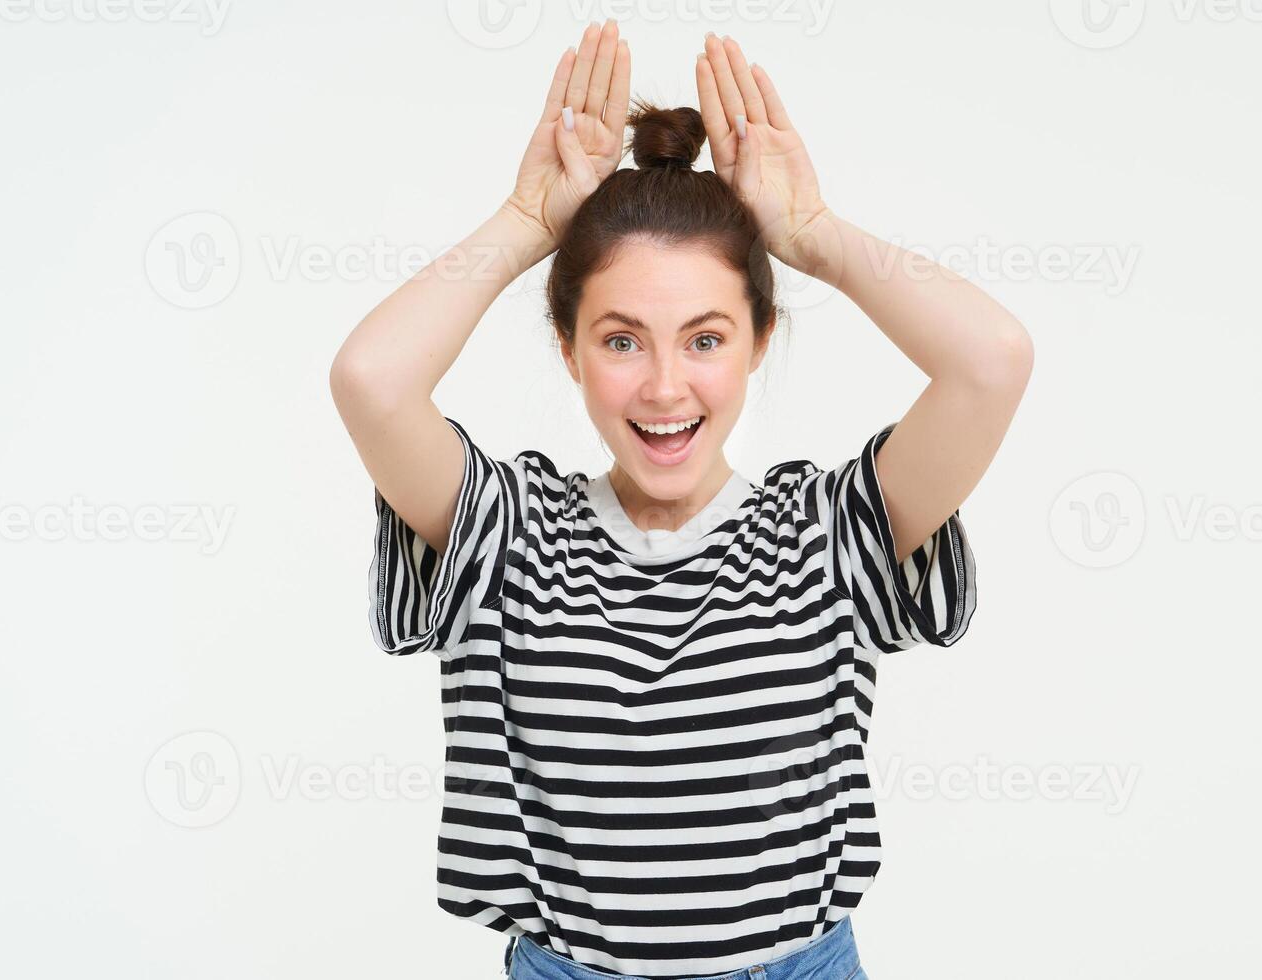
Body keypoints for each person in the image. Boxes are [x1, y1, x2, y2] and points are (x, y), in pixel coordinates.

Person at [329, 20, 1032, 980]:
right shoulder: (510, 532)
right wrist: (528, 224)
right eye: (621, 340)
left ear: (759, 339)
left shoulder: (826, 534)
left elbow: (990, 362)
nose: (665, 388)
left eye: (705, 338)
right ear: (568, 349)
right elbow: (372, 379)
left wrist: (815, 236)